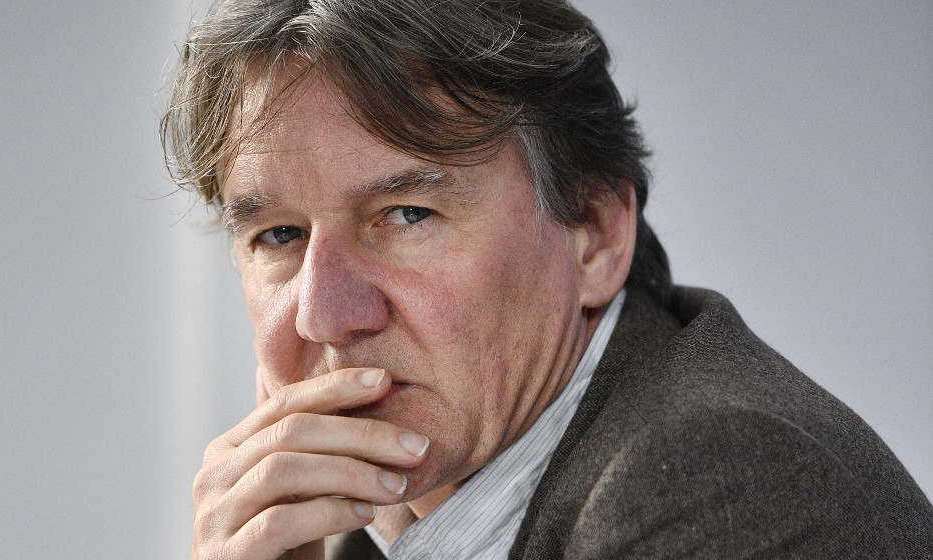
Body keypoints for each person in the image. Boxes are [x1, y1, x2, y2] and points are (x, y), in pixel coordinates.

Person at [161, 1, 933, 558]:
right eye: (280, 235)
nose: (324, 316)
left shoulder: (721, 481)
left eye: (407, 214)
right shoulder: (365, 524)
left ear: (594, 232)